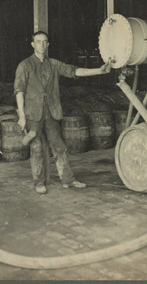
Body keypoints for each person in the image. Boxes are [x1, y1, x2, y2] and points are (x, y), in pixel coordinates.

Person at [14, 30, 112, 194]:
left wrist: (98, 71)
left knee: (59, 147)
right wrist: (22, 116)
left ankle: (68, 180)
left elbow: (74, 71)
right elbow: (19, 91)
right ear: (33, 44)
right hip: (33, 113)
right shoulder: (25, 65)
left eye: (45, 41)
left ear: (48, 44)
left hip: (51, 112)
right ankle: (39, 182)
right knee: (36, 147)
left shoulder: (53, 64)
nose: (42, 44)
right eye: (38, 41)